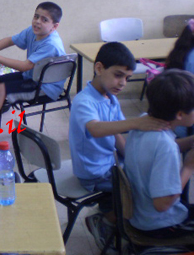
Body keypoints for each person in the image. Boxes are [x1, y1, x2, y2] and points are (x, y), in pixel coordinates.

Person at [69, 42, 169, 250]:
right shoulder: (83, 101)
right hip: (94, 173)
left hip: (109, 163)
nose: (123, 83)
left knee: (144, 174)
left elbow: (117, 135)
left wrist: (132, 157)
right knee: (141, 192)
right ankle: (104, 221)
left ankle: (114, 212)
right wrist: (137, 123)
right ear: (99, 68)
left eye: (127, 78)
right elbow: (96, 129)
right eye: (118, 75)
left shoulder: (110, 98)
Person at [124, 69, 194, 239]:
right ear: (180, 114)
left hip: (140, 213)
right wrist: (188, 167)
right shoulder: (166, 147)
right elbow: (162, 205)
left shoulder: (143, 122)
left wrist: (191, 141)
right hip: (159, 224)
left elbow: (159, 151)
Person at [0, 2, 65, 137]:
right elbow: (10, 40)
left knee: (1, 89)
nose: (37, 21)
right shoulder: (32, 31)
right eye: (36, 16)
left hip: (45, 87)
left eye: (44, 20)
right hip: (31, 76)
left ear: (54, 26)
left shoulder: (51, 44)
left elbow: (25, 66)